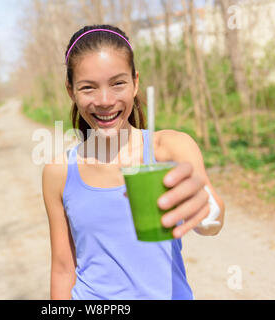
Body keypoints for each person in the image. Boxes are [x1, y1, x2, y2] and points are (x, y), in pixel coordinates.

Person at [42, 24, 225, 300]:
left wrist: (206, 207)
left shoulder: (170, 148)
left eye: (118, 83)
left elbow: (212, 218)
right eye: (88, 87)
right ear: (71, 91)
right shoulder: (59, 172)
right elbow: (63, 269)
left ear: (135, 82)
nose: (105, 101)